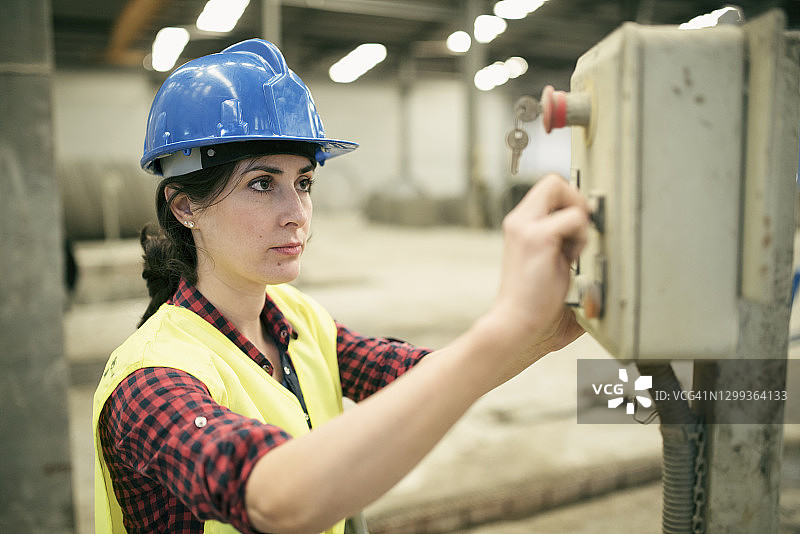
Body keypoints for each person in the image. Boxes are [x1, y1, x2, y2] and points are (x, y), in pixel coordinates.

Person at [92, 39, 590, 534]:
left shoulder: (293, 317)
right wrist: (507, 323)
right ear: (185, 207)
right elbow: (273, 498)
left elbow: (415, 376)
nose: (297, 215)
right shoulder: (150, 379)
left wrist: (552, 326)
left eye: (304, 183)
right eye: (262, 184)